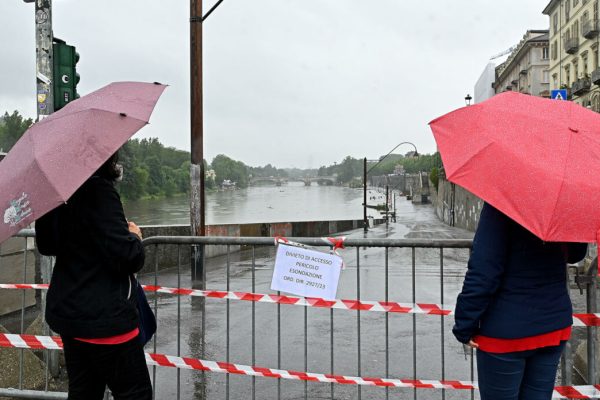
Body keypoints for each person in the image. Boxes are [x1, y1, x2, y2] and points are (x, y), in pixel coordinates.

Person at [35, 152, 152, 400]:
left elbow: (46, 244)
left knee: (83, 393)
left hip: (71, 317)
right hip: (107, 320)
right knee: (135, 394)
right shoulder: (98, 190)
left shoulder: (55, 192)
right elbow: (128, 257)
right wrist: (134, 236)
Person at [453, 202, 587, 400]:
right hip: (552, 326)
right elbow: (577, 253)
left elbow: (484, 271)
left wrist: (465, 324)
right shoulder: (563, 202)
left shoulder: (503, 201)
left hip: (505, 333)